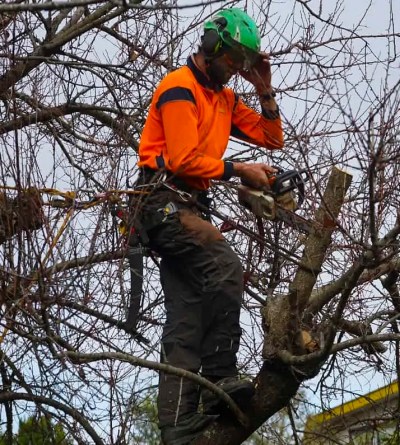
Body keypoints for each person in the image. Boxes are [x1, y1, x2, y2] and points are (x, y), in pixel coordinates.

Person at [135, 7, 284, 445]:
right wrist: (240, 170)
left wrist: (265, 90)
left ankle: (176, 423)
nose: (236, 69)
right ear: (213, 45)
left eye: (242, 64)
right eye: (234, 59)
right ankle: (221, 373)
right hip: (163, 203)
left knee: (187, 314)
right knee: (224, 268)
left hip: (188, 208)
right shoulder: (179, 88)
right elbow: (182, 160)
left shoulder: (225, 96)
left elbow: (272, 138)